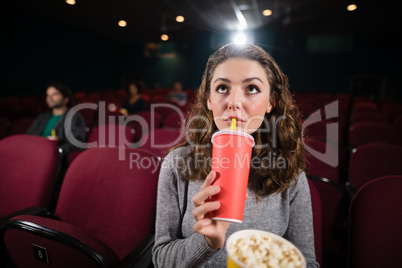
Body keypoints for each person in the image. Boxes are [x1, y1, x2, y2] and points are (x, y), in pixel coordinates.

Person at [152, 43, 319, 267]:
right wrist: (208, 241)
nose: (234, 102)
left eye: (252, 88)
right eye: (222, 88)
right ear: (209, 100)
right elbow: (161, 258)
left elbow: (306, 262)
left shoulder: (291, 173)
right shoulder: (177, 164)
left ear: (271, 102)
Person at [26, 82, 86, 157]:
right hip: (35, 153)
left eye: (54, 94)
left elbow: (76, 143)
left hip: (55, 157)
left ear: (66, 99)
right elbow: (28, 136)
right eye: (48, 95)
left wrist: (56, 151)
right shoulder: (42, 117)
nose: (49, 98)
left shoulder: (74, 118)